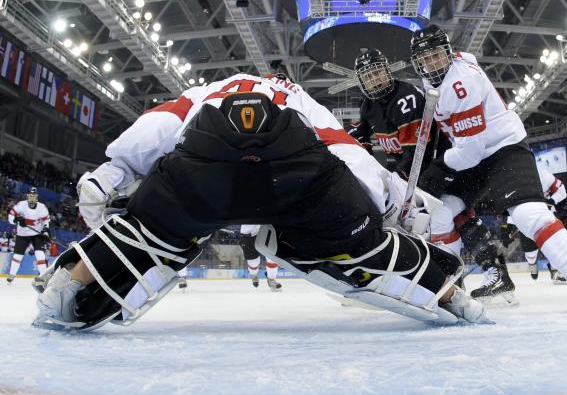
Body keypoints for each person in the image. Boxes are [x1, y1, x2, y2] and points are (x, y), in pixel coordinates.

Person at [34, 72, 489, 331]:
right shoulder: (297, 95)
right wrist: (382, 204)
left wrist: (112, 172)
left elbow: (157, 126)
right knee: (361, 246)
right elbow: (342, 149)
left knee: (147, 236)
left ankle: (68, 287)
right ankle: (451, 296)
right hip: (295, 167)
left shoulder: (208, 91)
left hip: (206, 160)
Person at [409, 25, 567, 313]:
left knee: (528, 215)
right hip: (474, 153)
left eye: (437, 55)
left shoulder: (459, 85)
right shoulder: (449, 70)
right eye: (425, 59)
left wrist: (438, 168)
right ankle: (454, 287)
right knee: (439, 213)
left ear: (448, 54)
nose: (432, 63)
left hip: (501, 150)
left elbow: (470, 152)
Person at [348, 48, 437, 178]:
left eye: (378, 72)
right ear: (362, 82)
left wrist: (398, 178)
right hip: (400, 161)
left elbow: (418, 152)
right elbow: (359, 134)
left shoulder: (407, 97)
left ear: (387, 71)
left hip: (431, 162)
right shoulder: (367, 106)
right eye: (367, 77)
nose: (374, 79)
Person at [6, 187, 51, 285]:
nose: (32, 198)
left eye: (34, 196)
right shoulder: (21, 205)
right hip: (22, 234)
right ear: (27, 196)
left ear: (37, 197)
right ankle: (12, 275)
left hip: (37, 233)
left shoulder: (42, 207)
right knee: (18, 255)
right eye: (30, 196)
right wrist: (16, 219)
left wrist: (45, 229)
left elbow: (46, 220)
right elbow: (10, 216)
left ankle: (43, 276)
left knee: (40, 254)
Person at [240, 224, 281, 291]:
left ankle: (271, 279)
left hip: (265, 231)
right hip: (248, 235)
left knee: (272, 257)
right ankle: (254, 275)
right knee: (254, 262)